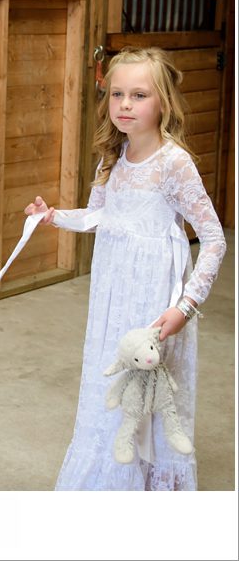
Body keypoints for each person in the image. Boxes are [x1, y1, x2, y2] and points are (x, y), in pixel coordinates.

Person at [25, 46, 226, 490]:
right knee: (112, 386)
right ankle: (110, 480)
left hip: (154, 302)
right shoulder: (112, 156)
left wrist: (185, 306)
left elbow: (214, 238)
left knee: (150, 393)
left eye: (139, 95)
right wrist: (54, 217)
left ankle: (148, 486)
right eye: (117, 94)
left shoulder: (174, 164)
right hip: (113, 294)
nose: (125, 105)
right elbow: (101, 217)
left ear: (163, 103)